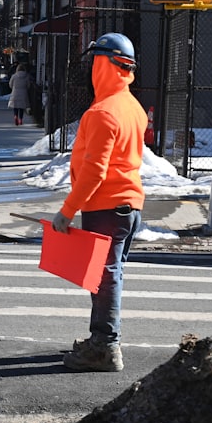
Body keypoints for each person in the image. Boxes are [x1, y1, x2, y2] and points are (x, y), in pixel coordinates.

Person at [51, 33, 147, 373]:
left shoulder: (103, 112)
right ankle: (103, 340)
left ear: (104, 65)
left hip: (106, 207)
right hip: (129, 205)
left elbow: (94, 172)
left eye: (94, 62)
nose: (91, 68)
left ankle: (105, 346)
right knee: (111, 275)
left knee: (104, 279)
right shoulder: (131, 106)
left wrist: (67, 210)